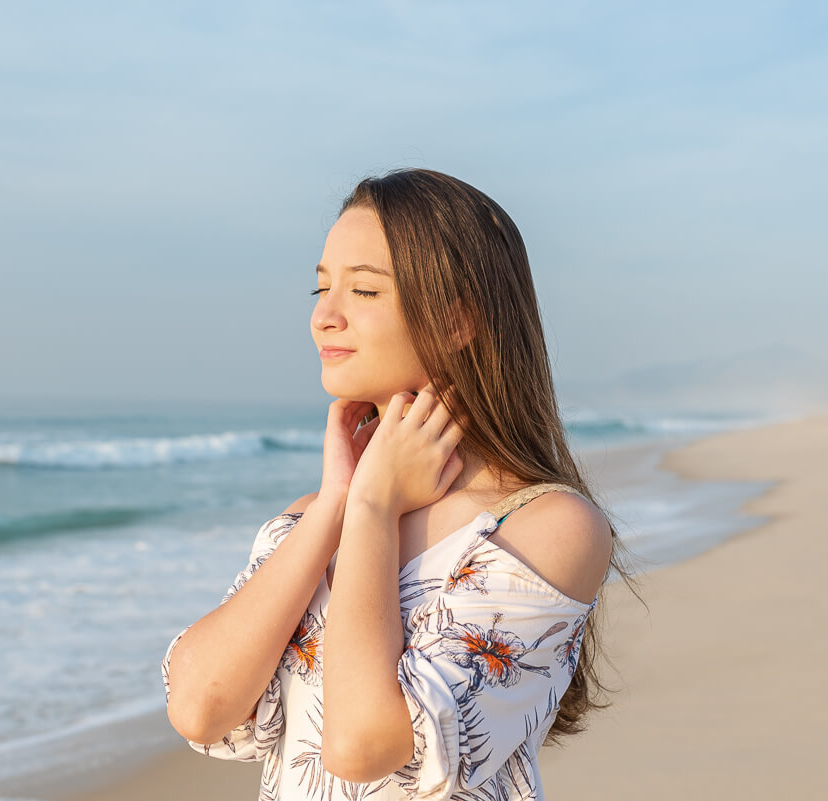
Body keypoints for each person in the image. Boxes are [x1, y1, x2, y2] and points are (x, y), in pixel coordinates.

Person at [161, 169, 629, 800]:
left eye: (364, 291)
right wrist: (337, 506)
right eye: (321, 288)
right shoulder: (313, 519)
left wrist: (375, 509)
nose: (324, 317)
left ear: (458, 319)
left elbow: (363, 746)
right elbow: (200, 708)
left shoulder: (543, 527)